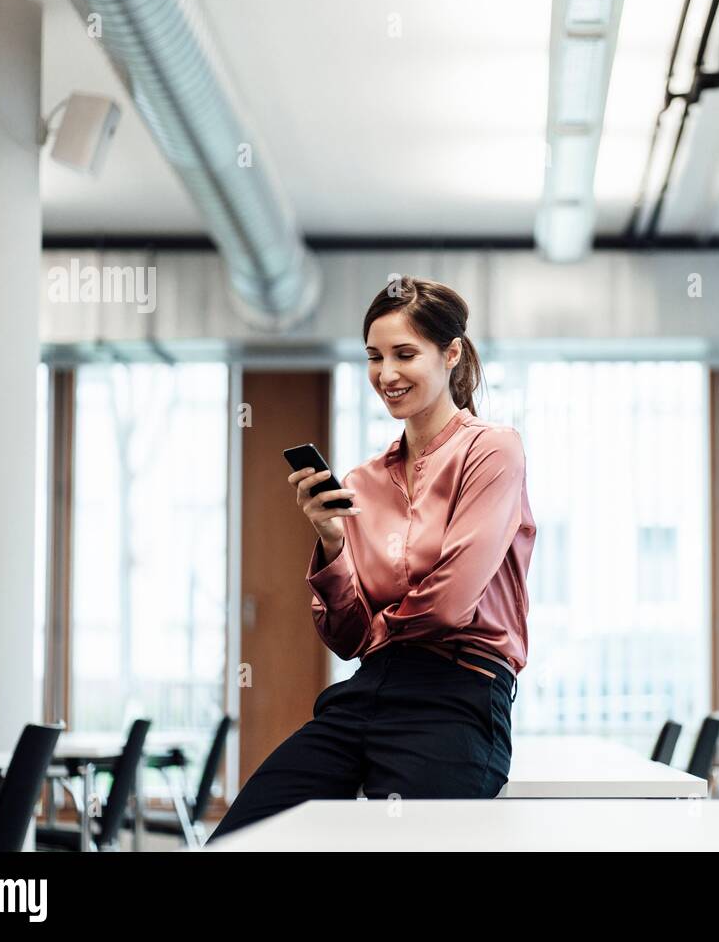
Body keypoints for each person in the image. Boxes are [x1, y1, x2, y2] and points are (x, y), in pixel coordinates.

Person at [209, 276, 534, 839]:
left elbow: (452, 602)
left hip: (457, 696)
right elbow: (346, 638)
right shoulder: (361, 482)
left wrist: (379, 632)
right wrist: (332, 542)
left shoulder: (492, 450)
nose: (386, 374)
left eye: (405, 354)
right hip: (366, 693)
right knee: (241, 838)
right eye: (374, 357)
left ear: (450, 353)